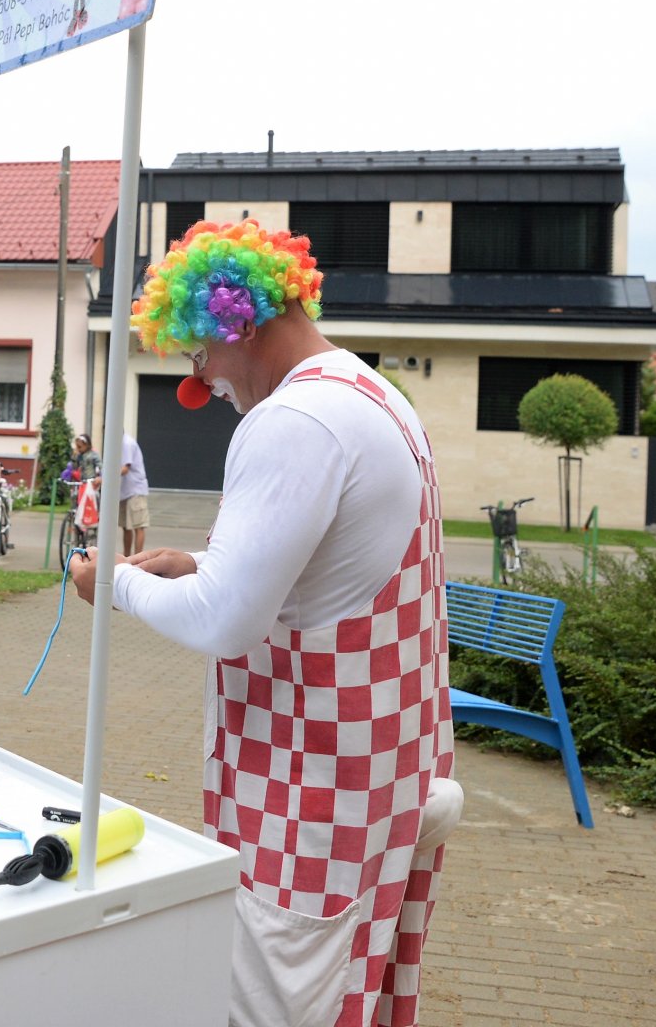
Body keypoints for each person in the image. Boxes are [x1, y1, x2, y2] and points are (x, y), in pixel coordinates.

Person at [70, 220, 460, 1027]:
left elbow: (222, 623)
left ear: (235, 323)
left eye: (200, 356)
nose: (202, 380)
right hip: (378, 792)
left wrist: (111, 585)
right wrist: (203, 564)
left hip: (311, 811)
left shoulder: (293, 422)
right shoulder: (374, 397)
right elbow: (326, 576)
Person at [117, 430, 150, 555]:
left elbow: (125, 468)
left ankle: (137, 558)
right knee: (126, 527)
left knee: (138, 526)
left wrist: (106, 478)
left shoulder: (127, 443)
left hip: (135, 490)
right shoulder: (118, 443)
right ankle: (127, 557)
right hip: (125, 492)